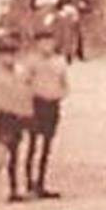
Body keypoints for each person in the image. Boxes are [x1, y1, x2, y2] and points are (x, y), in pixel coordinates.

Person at [0, 33, 36, 204]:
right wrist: (13, 108)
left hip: (19, 116)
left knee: (16, 156)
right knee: (0, 157)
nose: (9, 58)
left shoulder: (20, 71)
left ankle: (14, 189)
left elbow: (26, 92)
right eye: (5, 54)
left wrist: (27, 111)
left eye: (12, 54)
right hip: (5, 117)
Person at [24, 28, 69, 199]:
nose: (47, 46)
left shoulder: (59, 62)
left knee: (46, 147)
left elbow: (65, 83)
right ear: (37, 44)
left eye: (50, 42)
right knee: (32, 145)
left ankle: (41, 182)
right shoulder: (32, 62)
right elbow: (25, 83)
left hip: (52, 105)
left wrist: (59, 94)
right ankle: (29, 182)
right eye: (43, 42)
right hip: (36, 105)